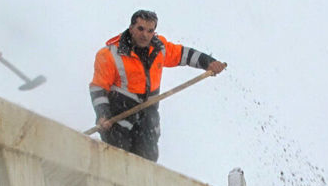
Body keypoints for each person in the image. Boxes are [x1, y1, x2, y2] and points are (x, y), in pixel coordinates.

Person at [89, 10, 227, 161]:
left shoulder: (159, 48)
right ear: (131, 28)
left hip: (147, 118)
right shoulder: (109, 55)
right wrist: (102, 114)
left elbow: (183, 54)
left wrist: (209, 63)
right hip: (118, 118)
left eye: (150, 30)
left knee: (147, 161)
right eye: (140, 29)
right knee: (118, 160)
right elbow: (99, 88)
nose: (145, 35)